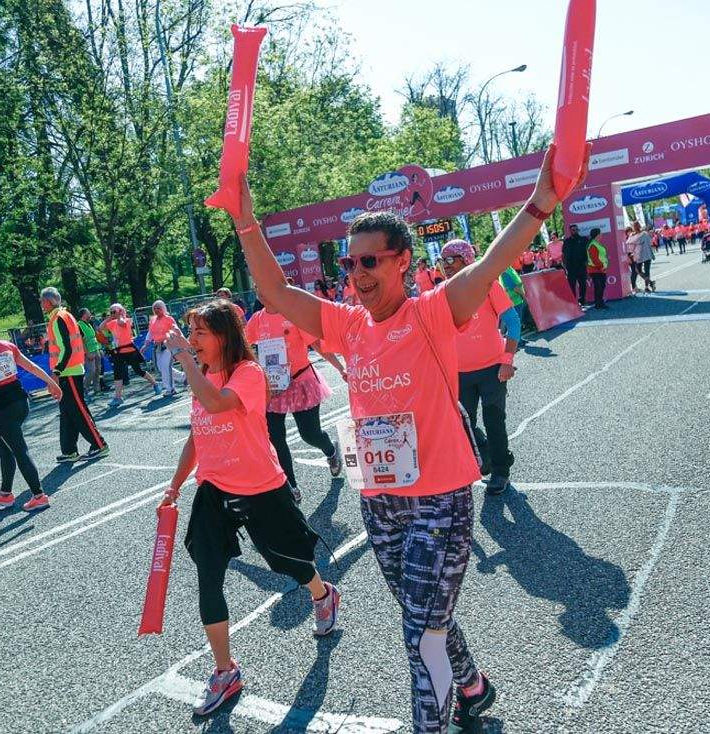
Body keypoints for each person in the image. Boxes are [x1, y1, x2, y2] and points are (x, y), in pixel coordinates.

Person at [227, 142, 587, 731]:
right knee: (425, 617)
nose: (358, 274)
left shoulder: (433, 312)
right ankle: (471, 686)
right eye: (349, 264)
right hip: (381, 502)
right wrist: (245, 221)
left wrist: (540, 205)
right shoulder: (347, 325)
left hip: (441, 501)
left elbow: (488, 267)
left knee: (420, 629)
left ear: (403, 262)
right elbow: (275, 293)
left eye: (371, 262)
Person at [160, 301, 340, 716]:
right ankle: (225, 670)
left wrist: (185, 361)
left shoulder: (249, 374)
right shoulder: (202, 375)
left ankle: (322, 594)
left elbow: (218, 405)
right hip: (213, 490)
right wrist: (174, 486)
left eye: (200, 334)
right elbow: (197, 433)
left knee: (286, 563)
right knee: (208, 573)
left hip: (260, 487)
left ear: (224, 335)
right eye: (191, 334)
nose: (193, 342)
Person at [245, 283, 345, 502]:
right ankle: (291, 486)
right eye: (259, 290)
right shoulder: (257, 320)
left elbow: (317, 344)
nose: (262, 293)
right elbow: (243, 345)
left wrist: (340, 368)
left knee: (309, 434)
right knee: (275, 437)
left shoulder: (293, 315)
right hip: (272, 388)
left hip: (300, 381)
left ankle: (330, 450)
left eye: (265, 288)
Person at [440, 239, 521, 495]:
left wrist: (507, 360)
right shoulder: (442, 291)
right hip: (460, 372)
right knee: (463, 424)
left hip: (492, 368)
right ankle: (486, 452)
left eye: (450, 260)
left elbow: (513, 321)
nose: (445, 267)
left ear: (465, 259)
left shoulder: (488, 284)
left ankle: (500, 472)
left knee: (494, 419)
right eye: (442, 262)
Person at [0, 315, 62, 512]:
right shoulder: (6, 345)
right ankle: (5, 494)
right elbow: (31, 366)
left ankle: (39, 495)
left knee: (19, 450)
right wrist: (51, 383)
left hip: (0, 407)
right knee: (3, 447)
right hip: (20, 401)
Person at [40, 287, 109, 461]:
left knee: (77, 409)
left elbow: (66, 348)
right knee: (67, 411)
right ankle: (69, 450)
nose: (41, 305)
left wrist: (56, 371)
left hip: (68, 371)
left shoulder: (57, 318)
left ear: (48, 302)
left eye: (42, 301)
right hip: (71, 369)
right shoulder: (65, 314)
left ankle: (99, 444)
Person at [101, 303, 159, 408]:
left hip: (129, 350)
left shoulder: (127, 320)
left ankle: (155, 384)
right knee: (117, 373)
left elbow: (122, 323)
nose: (113, 313)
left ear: (121, 311)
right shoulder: (113, 322)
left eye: (115, 311)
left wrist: (119, 315)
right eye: (111, 311)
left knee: (138, 370)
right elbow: (101, 327)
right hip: (118, 351)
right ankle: (118, 397)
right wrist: (110, 317)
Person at [141, 300, 182, 397]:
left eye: (158, 308)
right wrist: (145, 345)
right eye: (154, 308)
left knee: (165, 366)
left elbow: (176, 330)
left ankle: (170, 389)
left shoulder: (169, 318)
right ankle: (183, 377)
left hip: (168, 345)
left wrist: (178, 341)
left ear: (163, 309)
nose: (156, 310)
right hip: (157, 346)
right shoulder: (153, 320)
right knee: (161, 368)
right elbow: (150, 333)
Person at [77, 308, 104, 398]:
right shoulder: (79, 325)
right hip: (89, 352)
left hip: (96, 350)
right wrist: (87, 353)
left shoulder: (89, 324)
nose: (90, 315)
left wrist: (99, 349)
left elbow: (94, 337)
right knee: (91, 371)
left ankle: (97, 390)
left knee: (97, 370)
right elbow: (81, 341)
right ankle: (84, 390)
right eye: (89, 313)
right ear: (84, 315)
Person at [624, 222, 656, 293]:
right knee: (639, 270)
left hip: (642, 255)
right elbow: (629, 243)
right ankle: (650, 284)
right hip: (641, 255)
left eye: (634, 226)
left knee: (644, 271)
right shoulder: (642, 234)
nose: (634, 227)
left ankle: (647, 287)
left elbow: (629, 243)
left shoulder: (641, 234)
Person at [562, 223, 589, 304]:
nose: (575, 231)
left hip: (581, 266)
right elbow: (563, 254)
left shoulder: (584, 239)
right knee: (572, 285)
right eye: (573, 230)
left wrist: (586, 262)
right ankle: (574, 301)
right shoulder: (567, 241)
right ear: (570, 231)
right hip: (571, 267)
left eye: (576, 229)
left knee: (582, 284)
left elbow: (588, 252)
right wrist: (565, 265)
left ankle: (582, 300)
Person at [587, 227, 609, 309]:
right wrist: (601, 266)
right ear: (598, 234)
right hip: (595, 269)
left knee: (601, 286)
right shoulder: (593, 244)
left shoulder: (596, 243)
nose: (601, 234)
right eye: (600, 233)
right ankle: (598, 304)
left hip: (600, 269)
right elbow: (594, 258)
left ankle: (600, 303)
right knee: (599, 286)